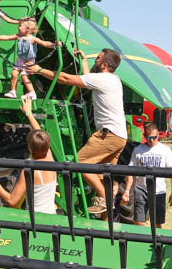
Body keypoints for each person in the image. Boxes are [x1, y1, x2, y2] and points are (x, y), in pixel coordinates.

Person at [28, 48, 126, 214]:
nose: (95, 60)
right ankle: (106, 218)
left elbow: (66, 78)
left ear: (104, 65)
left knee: (78, 164)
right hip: (119, 136)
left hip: (108, 135)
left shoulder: (103, 79)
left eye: (98, 58)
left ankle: (104, 199)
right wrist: (85, 63)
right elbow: (88, 80)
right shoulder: (113, 79)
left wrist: (39, 70)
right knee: (102, 176)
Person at [0, 96, 57, 214]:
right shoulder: (50, 158)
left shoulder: (30, 171)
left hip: (36, 220)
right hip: (51, 216)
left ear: (29, 147)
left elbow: (12, 200)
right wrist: (28, 113)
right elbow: (39, 131)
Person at [122, 123, 172, 228]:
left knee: (157, 223)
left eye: (154, 137)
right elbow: (130, 172)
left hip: (159, 191)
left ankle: (157, 242)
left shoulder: (165, 150)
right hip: (141, 190)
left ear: (158, 135)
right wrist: (126, 191)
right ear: (144, 136)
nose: (151, 140)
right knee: (138, 221)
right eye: (148, 138)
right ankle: (140, 241)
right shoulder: (138, 150)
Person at [0, 17, 55, 99]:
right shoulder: (18, 36)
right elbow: (6, 37)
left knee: (24, 76)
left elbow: (44, 43)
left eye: (20, 26)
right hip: (20, 59)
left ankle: (32, 92)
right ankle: (13, 91)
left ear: (27, 29)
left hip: (28, 61)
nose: (18, 27)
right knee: (14, 74)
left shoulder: (32, 39)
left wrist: (54, 45)